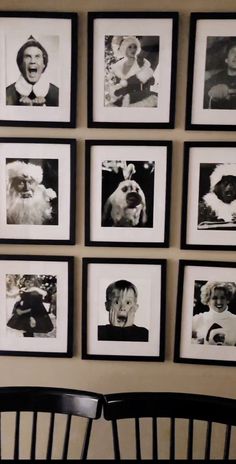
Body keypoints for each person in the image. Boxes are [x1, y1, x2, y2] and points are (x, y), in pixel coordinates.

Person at [6, 35, 59, 106]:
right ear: (20, 64)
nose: (33, 61)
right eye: (28, 57)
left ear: (44, 64)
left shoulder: (57, 93)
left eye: (37, 57)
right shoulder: (7, 93)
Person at [106, 36, 158, 107]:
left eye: (135, 47)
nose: (133, 49)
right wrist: (116, 91)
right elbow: (114, 89)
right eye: (130, 47)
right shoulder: (117, 67)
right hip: (126, 99)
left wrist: (148, 77)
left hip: (141, 97)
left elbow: (150, 80)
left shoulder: (141, 62)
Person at [6, 160, 57, 225]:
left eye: (30, 182)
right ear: (12, 185)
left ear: (36, 184)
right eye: (21, 183)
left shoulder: (49, 210)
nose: (26, 188)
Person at [192, 281, 236, 346]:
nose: (219, 302)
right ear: (207, 300)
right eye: (214, 298)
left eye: (222, 298)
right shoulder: (198, 319)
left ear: (227, 299)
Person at [198, 164, 236, 229]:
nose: (230, 188)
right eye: (226, 183)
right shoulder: (203, 208)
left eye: (233, 183)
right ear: (217, 186)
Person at [204, 39, 236, 109]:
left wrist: (227, 91)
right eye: (233, 52)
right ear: (226, 60)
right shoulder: (215, 79)